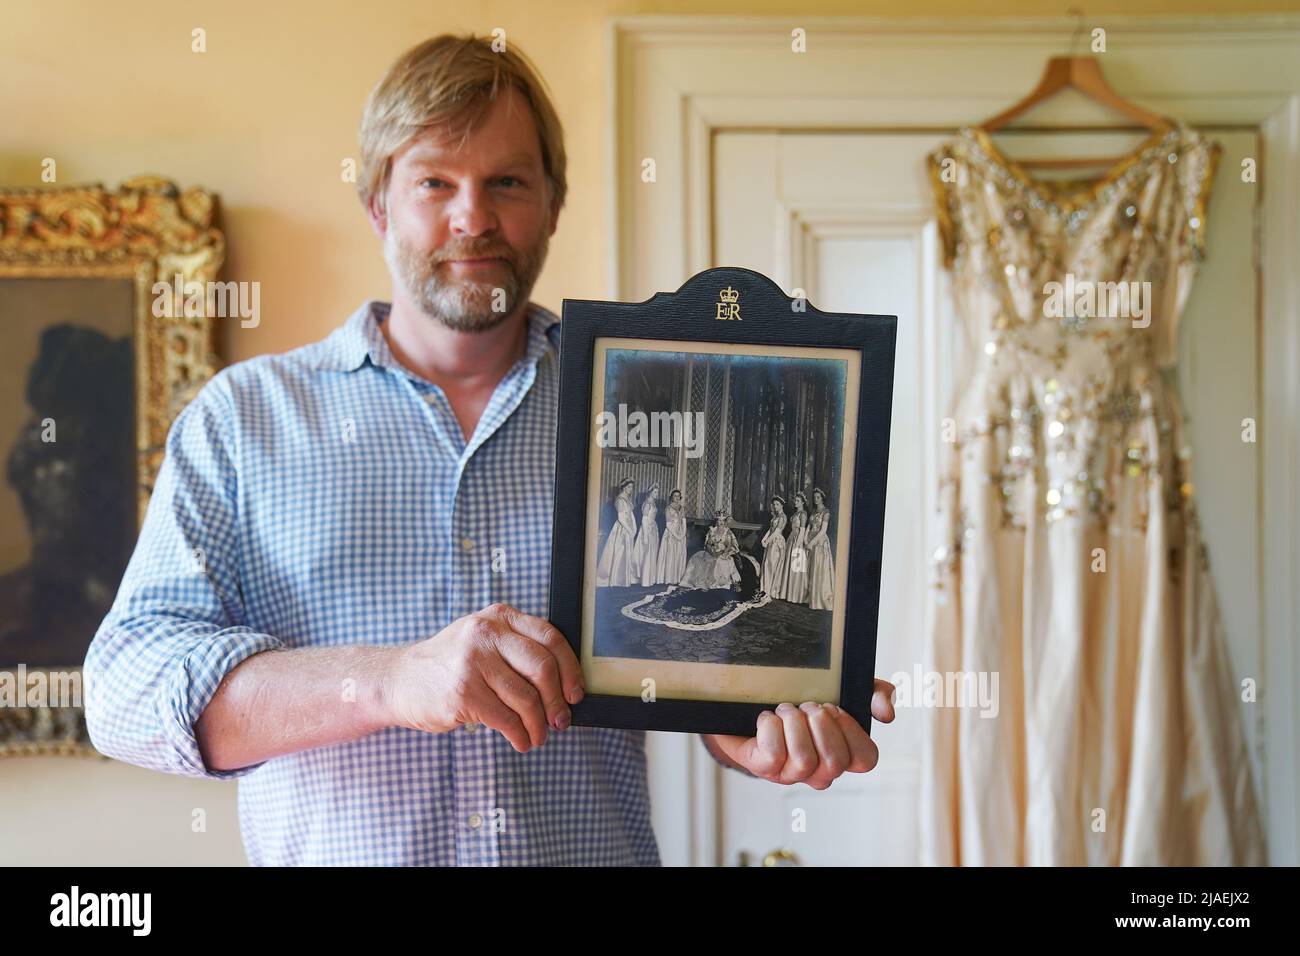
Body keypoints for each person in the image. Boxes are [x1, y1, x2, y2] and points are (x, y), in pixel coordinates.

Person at [83, 33, 895, 867]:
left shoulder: (647, 401)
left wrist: (749, 735)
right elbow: (123, 695)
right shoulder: (242, 421)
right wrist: (390, 680)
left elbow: (685, 666)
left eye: (507, 181)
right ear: (377, 205)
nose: (473, 216)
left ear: (552, 204)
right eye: (435, 181)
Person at [678, 509, 741, 590]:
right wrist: (711, 550)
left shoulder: (727, 532)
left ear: (725, 522)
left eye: (723, 520)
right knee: (697, 558)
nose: (721, 522)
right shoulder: (712, 530)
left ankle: (720, 582)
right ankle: (697, 581)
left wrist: (723, 552)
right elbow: (708, 543)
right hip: (712, 551)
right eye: (719, 520)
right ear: (716, 521)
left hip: (723, 552)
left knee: (721, 561)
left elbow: (729, 545)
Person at [596, 477, 636, 587]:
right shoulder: (620, 500)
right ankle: (615, 579)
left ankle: (623, 579)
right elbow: (621, 518)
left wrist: (634, 529)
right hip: (621, 529)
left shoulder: (627, 499)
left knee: (626, 553)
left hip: (628, 528)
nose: (630, 489)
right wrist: (629, 530)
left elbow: (631, 515)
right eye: (628, 487)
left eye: (631, 487)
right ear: (623, 488)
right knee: (619, 552)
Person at [805, 488, 835, 610]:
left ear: (822, 498)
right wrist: (806, 539)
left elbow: (823, 531)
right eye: (814, 497)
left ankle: (820, 599)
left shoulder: (826, 512)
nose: (816, 499)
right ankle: (812, 596)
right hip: (811, 540)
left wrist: (812, 542)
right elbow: (809, 526)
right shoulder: (813, 511)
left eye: (818, 497)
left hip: (819, 541)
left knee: (819, 568)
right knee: (811, 569)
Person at [654, 488, 687, 584]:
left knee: (679, 554)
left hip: (680, 533)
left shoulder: (682, 508)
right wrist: (677, 536)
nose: (677, 498)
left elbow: (684, 521)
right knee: (671, 555)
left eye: (678, 496)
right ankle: (669, 578)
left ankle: (678, 577)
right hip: (671, 534)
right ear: (672, 498)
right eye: (675, 496)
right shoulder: (668, 508)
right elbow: (668, 524)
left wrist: (683, 534)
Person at [630, 483, 660, 586]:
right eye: (655, 492)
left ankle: (649, 578)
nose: (657, 494)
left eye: (657, 492)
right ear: (650, 492)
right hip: (647, 529)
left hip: (653, 529)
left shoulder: (653, 503)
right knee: (646, 554)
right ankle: (644, 579)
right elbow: (644, 519)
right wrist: (646, 535)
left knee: (651, 553)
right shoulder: (647, 503)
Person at [759, 495, 788, 601]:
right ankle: (765, 589)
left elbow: (777, 531)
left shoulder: (782, 517)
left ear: (781, 506)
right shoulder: (775, 517)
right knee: (767, 564)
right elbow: (771, 530)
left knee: (772, 564)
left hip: (776, 542)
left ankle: (772, 590)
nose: (775, 507)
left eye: (777, 504)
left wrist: (768, 540)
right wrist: (764, 539)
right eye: (774, 504)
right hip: (771, 541)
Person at [784, 491, 810, 603]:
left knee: (797, 566)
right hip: (791, 537)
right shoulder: (795, 514)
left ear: (803, 502)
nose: (795, 502)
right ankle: (789, 593)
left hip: (798, 540)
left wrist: (798, 544)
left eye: (798, 501)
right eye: (795, 500)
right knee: (790, 565)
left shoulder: (803, 514)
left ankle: (797, 595)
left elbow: (803, 530)